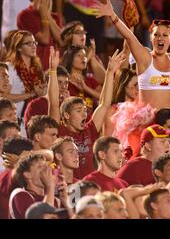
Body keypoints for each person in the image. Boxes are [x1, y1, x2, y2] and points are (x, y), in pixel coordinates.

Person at [48, 48, 125, 178]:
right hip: (67, 186)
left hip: (89, 186)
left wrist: (110, 72)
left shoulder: (90, 129)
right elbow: (54, 103)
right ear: (66, 115)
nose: (84, 114)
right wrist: (53, 71)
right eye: (79, 111)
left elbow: (104, 104)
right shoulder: (59, 131)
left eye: (85, 110)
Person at [2, 30, 45, 130]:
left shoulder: (37, 70)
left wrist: (42, 92)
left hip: (34, 122)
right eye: (28, 43)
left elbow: (42, 95)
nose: (33, 46)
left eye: (34, 43)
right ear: (19, 48)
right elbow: (3, 97)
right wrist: (31, 93)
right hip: (14, 122)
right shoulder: (10, 68)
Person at [17, 0, 63, 70]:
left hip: (54, 71)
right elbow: (44, 39)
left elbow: (62, 41)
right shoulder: (25, 15)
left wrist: (48, 15)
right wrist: (44, 15)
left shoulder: (54, 17)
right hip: (35, 71)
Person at [9, 154, 62, 219]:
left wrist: (66, 201)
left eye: (46, 166)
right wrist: (50, 186)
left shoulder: (55, 199)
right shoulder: (19, 194)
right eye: (40, 166)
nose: (47, 170)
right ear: (27, 175)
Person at [0, 137, 33, 219]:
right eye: (28, 158)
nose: (31, 162)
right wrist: (20, 163)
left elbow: (50, 155)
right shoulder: (10, 175)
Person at [103, 68, 138, 137]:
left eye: (139, 85)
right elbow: (108, 138)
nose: (138, 89)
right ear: (124, 85)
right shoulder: (112, 111)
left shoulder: (140, 108)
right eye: (135, 85)